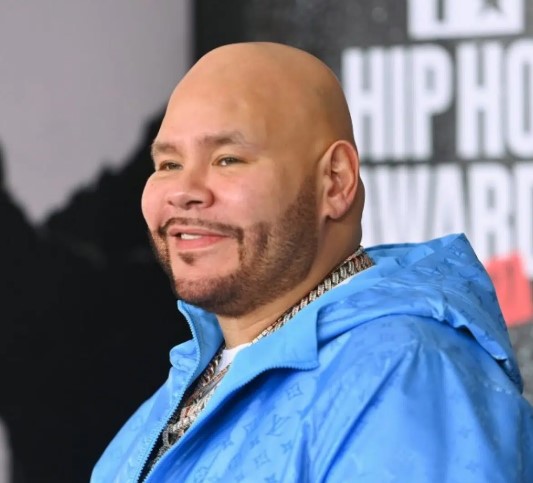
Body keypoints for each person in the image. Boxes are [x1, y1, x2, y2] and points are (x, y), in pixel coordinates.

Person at [91, 42, 533, 482]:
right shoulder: (171, 400)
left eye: (227, 159)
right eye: (168, 164)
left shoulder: (405, 372)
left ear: (335, 181)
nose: (183, 191)